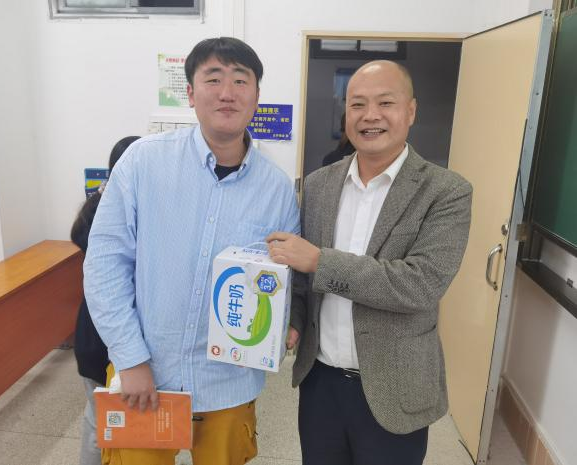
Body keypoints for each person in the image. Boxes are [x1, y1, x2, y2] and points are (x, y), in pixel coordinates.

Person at [83, 37, 300, 465]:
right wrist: (130, 359)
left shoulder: (277, 189)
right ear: (190, 92)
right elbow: (105, 265)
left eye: (241, 80)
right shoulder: (143, 163)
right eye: (213, 79)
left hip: (230, 381)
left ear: (257, 95)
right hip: (146, 375)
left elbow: (283, 279)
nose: (227, 92)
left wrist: (283, 329)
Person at [267, 60, 472, 465]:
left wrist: (320, 261)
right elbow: (304, 282)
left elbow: (420, 285)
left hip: (395, 387)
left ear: (410, 111)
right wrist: (294, 320)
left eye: (385, 103)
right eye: (357, 104)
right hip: (320, 382)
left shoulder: (446, 191)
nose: (370, 115)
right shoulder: (318, 184)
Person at [70, 135, 140, 465]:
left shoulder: (97, 205)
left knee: (99, 418)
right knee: (102, 421)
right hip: (104, 341)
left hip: (95, 337)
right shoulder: (114, 214)